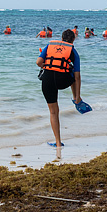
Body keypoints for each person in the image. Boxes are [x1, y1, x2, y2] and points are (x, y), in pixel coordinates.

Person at [36, 29, 84, 157]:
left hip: (47, 81)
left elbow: (38, 62)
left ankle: (58, 143)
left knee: (53, 112)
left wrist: (49, 65)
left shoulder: (50, 45)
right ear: (73, 39)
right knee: (73, 72)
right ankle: (75, 99)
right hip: (62, 81)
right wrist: (78, 95)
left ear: (61, 38)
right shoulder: (73, 51)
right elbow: (78, 77)